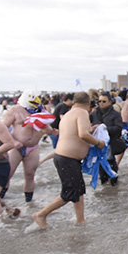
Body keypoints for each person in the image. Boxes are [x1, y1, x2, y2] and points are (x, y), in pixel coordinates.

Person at [31, 92, 106, 230]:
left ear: (73, 102)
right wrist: (98, 143)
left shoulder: (69, 114)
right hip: (67, 158)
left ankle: (80, 220)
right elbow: (82, 134)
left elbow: (77, 132)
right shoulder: (82, 113)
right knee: (70, 192)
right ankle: (41, 214)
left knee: (78, 189)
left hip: (64, 157)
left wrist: (91, 129)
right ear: (88, 103)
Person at [1, 90, 57, 202]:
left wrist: (52, 132)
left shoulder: (41, 110)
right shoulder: (14, 111)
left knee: (30, 175)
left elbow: (46, 128)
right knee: (8, 174)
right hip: (15, 148)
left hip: (33, 148)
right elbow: (2, 129)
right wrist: (13, 142)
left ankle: (29, 204)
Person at [89, 92, 126, 186]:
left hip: (110, 142)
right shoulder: (94, 113)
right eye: (99, 101)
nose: (101, 103)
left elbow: (119, 128)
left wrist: (103, 128)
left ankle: (114, 184)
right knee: (99, 164)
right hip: (97, 143)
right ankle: (104, 184)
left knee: (110, 162)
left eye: (104, 101)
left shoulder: (115, 114)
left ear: (110, 102)